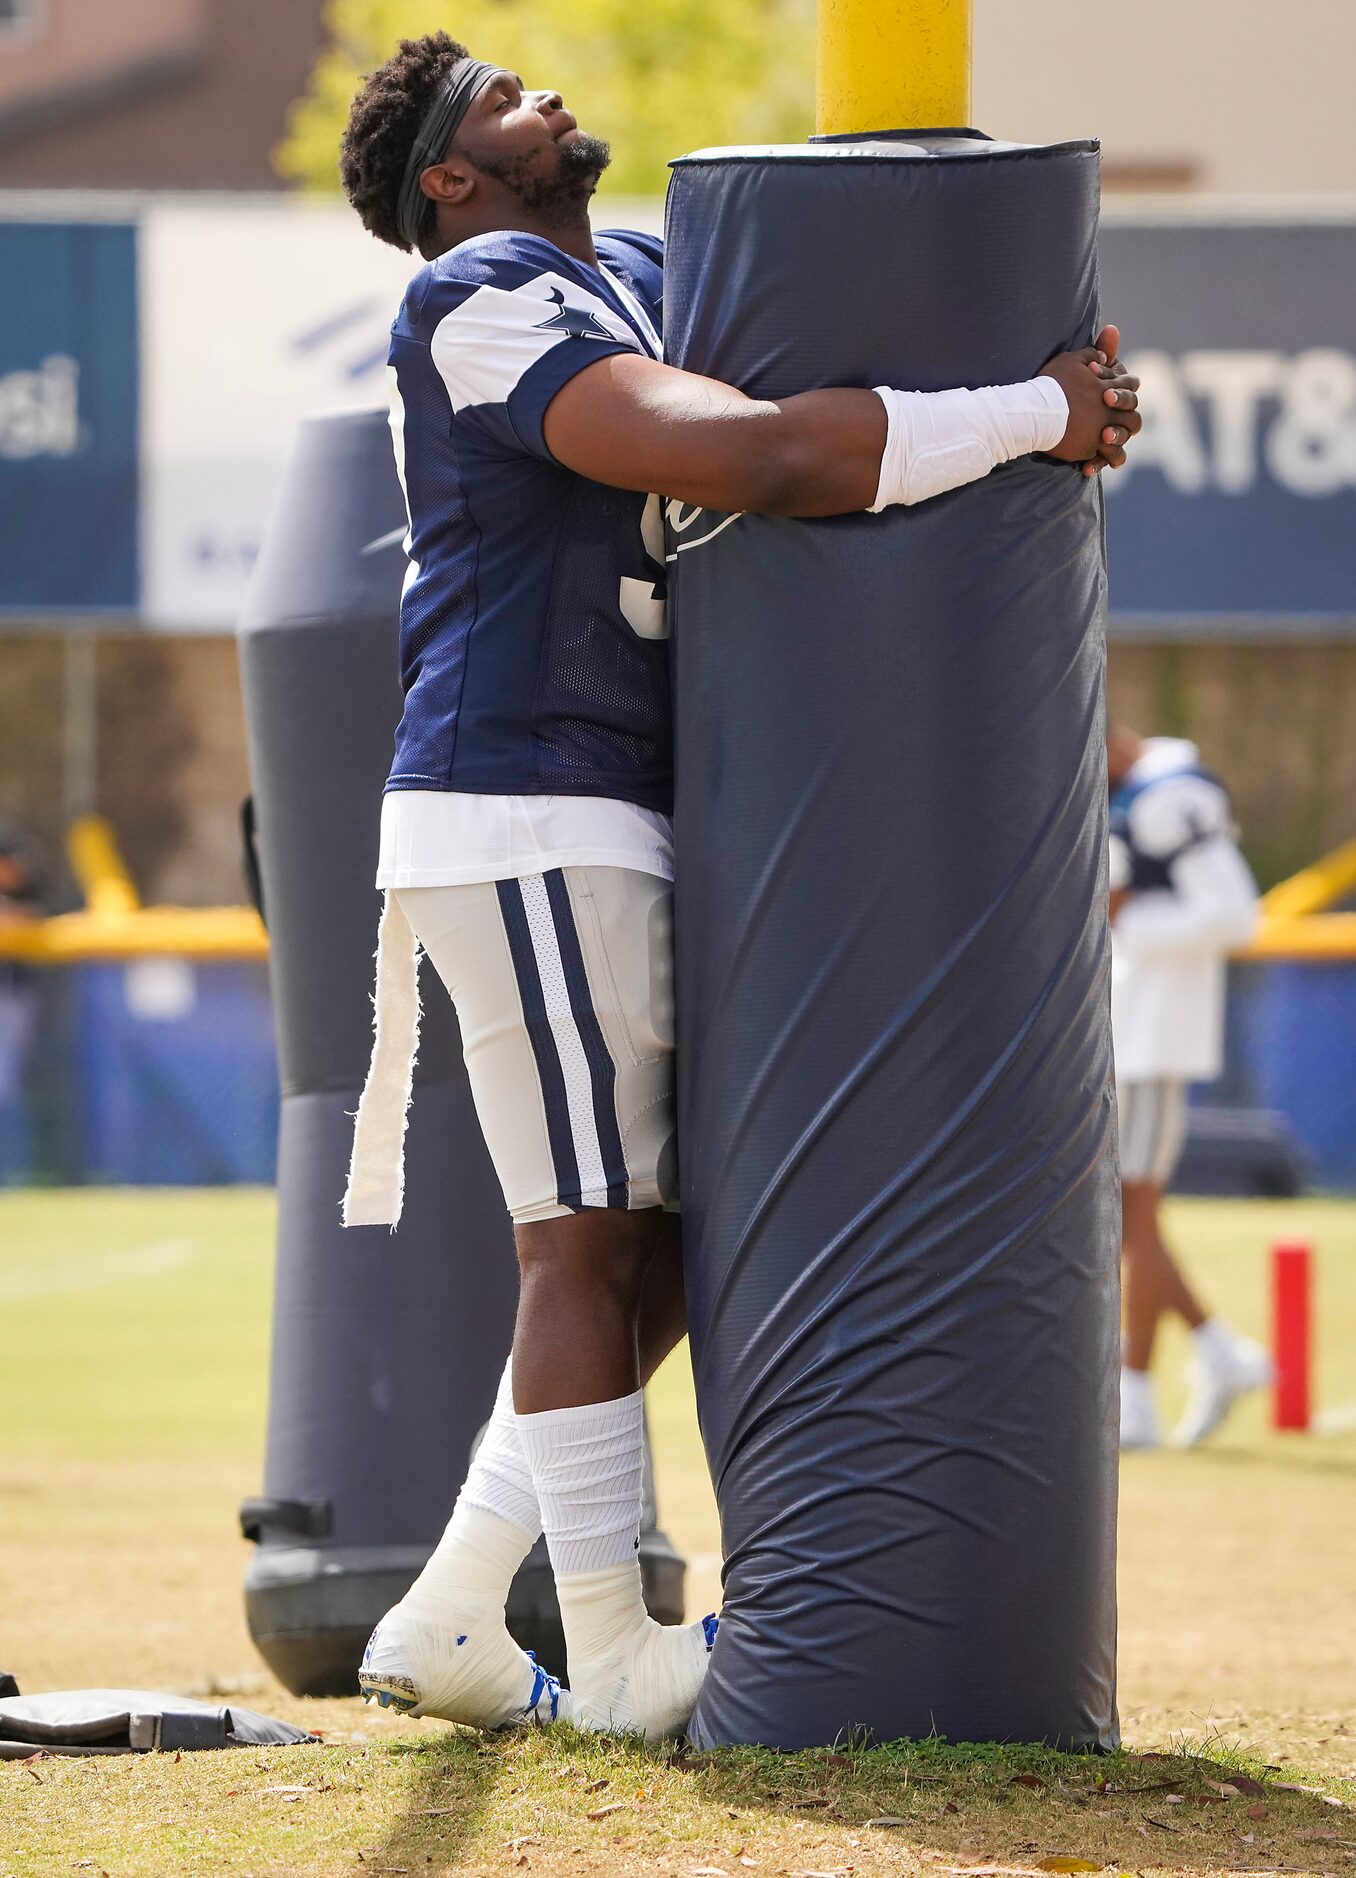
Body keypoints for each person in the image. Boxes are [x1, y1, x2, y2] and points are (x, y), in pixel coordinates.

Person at [336, 30, 1143, 1740]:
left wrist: (1051, 379)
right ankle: (617, 1647)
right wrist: (1030, 415)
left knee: (692, 1245)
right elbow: (764, 458)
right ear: (453, 185)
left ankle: (455, 1602)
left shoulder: (608, 271)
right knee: (585, 1245)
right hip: (523, 798)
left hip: (613, 808)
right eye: (498, 102)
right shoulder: (478, 291)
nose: (540, 94)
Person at [1107, 726, 1269, 1451]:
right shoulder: (1132, 796)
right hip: (1123, 1026)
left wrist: (1127, 919)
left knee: (1127, 1216)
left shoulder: (1170, 797)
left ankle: (1137, 1392)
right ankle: (1215, 1352)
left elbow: (1236, 913)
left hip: (1150, 1033)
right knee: (1119, 1216)